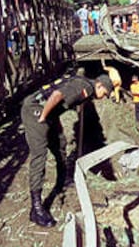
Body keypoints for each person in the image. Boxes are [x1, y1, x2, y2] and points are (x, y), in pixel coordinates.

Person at [21, 73, 114, 227]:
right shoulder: (85, 87)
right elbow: (57, 95)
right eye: (104, 93)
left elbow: (63, 95)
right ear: (99, 85)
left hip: (48, 111)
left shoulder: (85, 85)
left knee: (60, 145)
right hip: (35, 110)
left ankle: (61, 185)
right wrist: (44, 117)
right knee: (40, 156)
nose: (103, 97)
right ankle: (36, 209)